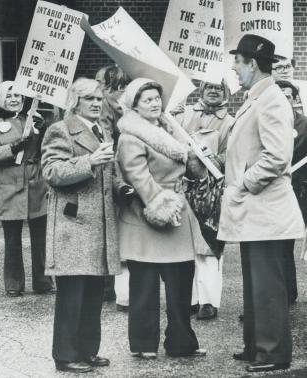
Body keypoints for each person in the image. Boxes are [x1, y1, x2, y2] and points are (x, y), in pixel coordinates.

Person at [218, 34, 305, 373]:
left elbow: (278, 157)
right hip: (256, 209)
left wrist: (243, 183)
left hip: (265, 207)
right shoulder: (258, 96)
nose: (234, 70)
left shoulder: (270, 99)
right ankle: (256, 346)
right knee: (256, 282)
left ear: (251, 64)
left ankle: (273, 353)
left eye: (237, 63)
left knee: (268, 284)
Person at [116, 77, 206, 359]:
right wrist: (160, 204)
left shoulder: (172, 130)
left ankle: (182, 342)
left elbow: (188, 170)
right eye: (148, 100)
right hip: (147, 213)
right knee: (144, 286)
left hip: (176, 211)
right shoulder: (130, 136)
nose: (155, 103)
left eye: (157, 98)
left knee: (181, 282)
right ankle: (143, 344)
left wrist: (198, 159)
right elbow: (137, 176)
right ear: (135, 106)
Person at [41, 78, 123, 373]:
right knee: (71, 295)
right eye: (89, 98)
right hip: (72, 225)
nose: (96, 103)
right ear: (74, 101)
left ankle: (87, 350)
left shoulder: (102, 130)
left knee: (92, 293)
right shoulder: (60, 130)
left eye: (99, 98)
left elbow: (109, 173)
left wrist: (121, 187)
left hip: (98, 224)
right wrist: (89, 161)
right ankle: (65, 354)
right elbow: (51, 172)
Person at [0, 80, 53, 297]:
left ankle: (43, 282)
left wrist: (44, 131)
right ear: (2, 99)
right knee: (12, 239)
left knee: (40, 237)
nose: (14, 100)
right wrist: (13, 147)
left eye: (18, 96)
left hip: (35, 183)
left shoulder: (33, 119)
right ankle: (14, 283)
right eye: (10, 96)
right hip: (8, 185)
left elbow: (47, 149)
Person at [174, 80, 234, 320]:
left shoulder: (231, 122)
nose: (213, 91)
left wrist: (214, 160)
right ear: (200, 90)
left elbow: (231, 154)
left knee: (209, 246)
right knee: (183, 245)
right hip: (182, 187)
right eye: (208, 87)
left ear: (225, 93)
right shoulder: (183, 115)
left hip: (212, 190)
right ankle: (189, 299)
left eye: (218, 88)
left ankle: (208, 301)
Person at [96, 64, 131, 309]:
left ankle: (108, 286)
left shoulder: (104, 102)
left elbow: (105, 134)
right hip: (131, 163)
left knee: (106, 224)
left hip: (111, 164)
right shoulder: (131, 100)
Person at [275, 79, 307, 304]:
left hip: (301, 190)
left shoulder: (304, 124)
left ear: (295, 100)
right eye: (280, 95)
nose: (284, 100)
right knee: (279, 245)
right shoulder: (269, 121)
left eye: (288, 96)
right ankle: (285, 293)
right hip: (276, 190)